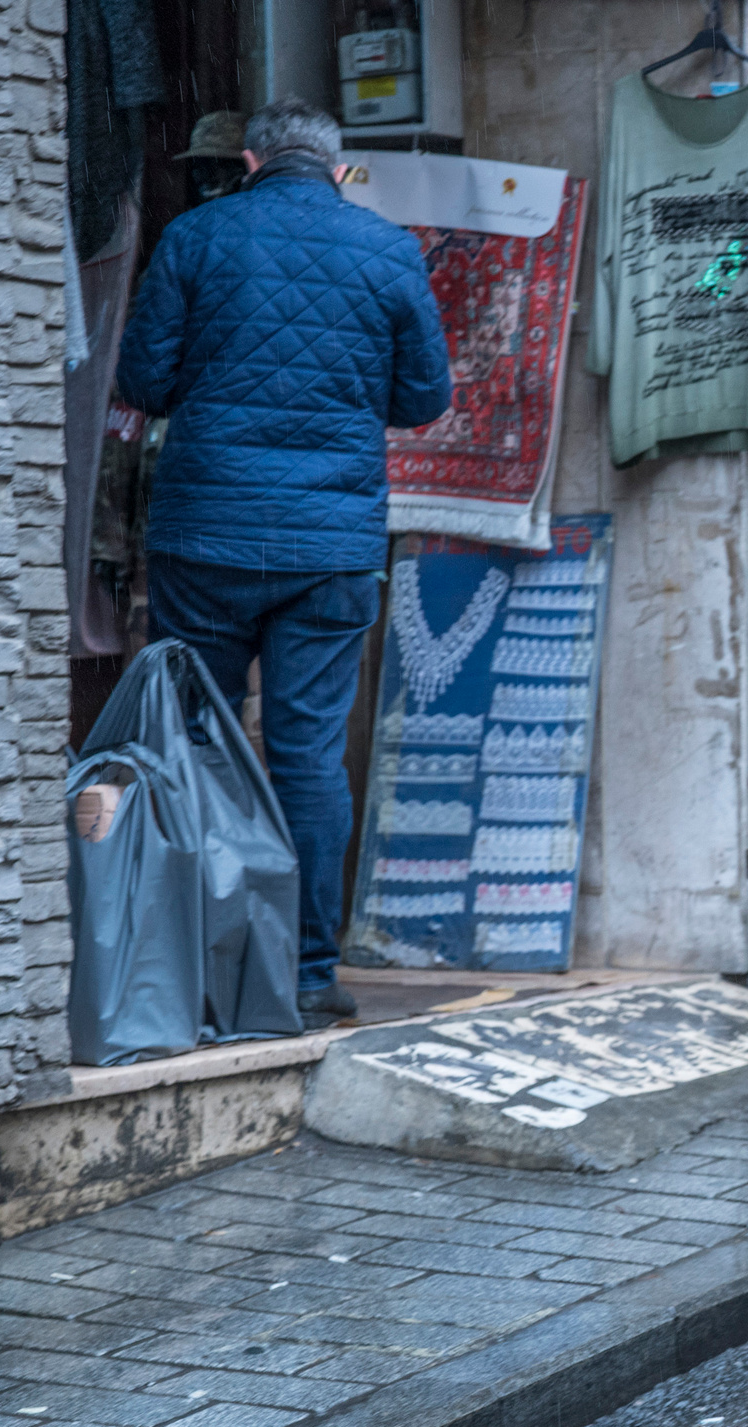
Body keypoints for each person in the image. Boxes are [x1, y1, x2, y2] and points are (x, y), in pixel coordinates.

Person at [115, 98, 452, 1025]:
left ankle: (200, 968)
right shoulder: (387, 250)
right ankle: (308, 974)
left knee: (197, 746)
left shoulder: (196, 235)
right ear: (340, 170)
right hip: (330, 546)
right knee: (307, 758)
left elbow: (142, 381)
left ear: (252, 160)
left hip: (206, 535)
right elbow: (424, 396)